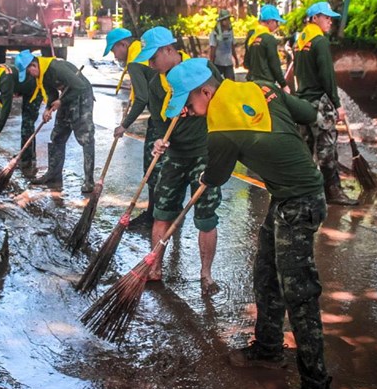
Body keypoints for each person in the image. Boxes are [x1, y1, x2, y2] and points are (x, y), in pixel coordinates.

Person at [164, 57, 338, 389]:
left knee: (300, 295)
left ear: (206, 92)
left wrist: (199, 175)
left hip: (302, 200)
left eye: (190, 105)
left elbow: (216, 175)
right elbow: (308, 112)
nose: (190, 113)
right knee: (265, 272)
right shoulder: (262, 85)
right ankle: (268, 348)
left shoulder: (220, 126)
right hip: (285, 196)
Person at [133, 27, 223, 293]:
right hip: (174, 155)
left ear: (168, 50)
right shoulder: (154, 84)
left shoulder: (203, 69)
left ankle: (206, 275)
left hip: (204, 153)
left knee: (206, 216)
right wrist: (160, 141)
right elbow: (160, 123)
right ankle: (154, 267)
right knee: (162, 213)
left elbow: (221, 99)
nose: (150, 64)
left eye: (153, 58)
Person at [294, 1, 357, 206]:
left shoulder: (301, 40)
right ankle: (333, 192)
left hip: (302, 103)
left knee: (305, 149)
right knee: (327, 150)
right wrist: (337, 104)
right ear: (314, 18)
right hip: (319, 103)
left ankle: (305, 191)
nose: (330, 21)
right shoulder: (319, 41)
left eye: (331, 17)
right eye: (326, 17)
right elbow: (327, 75)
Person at [15, 51, 96, 193]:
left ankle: (89, 181)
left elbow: (79, 86)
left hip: (81, 96)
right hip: (67, 97)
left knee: (85, 138)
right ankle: (53, 175)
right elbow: (51, 92)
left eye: (29, 72)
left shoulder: (56, 68)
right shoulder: (42, 73)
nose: (30, 75)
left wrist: (61, 101)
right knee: (57, 136)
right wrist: (48, 108)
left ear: (33, 65)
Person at [105, 27, 161, 227]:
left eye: (114, 50)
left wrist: (124, 125)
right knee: (162, 165)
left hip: (160, 117)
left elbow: (142, 99)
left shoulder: (136, 60)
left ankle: (152, 216)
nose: (115, 56)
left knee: (152, 166)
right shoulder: (142, 51)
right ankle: (160, 213)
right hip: (169, 110)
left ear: (123, 45)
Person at [0, 59, 43, 173]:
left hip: (35, 90)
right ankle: (27, 155)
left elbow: (7, 106)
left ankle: (27, 160)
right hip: (26, 90)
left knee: (27, 125)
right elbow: (6, 96)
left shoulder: (5, 78)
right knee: (27, 126)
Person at [243, 4, 289, 91]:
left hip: (252, 82)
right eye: (276, 22)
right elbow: (275, 65)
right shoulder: (269, 39)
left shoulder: (251, 37)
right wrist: (284, 85)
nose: (277, 25)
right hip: (266, 85)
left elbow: (246, 63)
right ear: (270, 21)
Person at [208, 9, 238, 81]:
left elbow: (232, 45)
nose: (228, 21)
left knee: (231, 82)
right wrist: (211, 63)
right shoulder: (215, 33)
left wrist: (236, 59)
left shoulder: (230, 31)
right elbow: (213, 48)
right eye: (226, 19)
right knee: (217, 82)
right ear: (221, 21)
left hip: (228, 62)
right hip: (218, 62)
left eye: (228, 19)